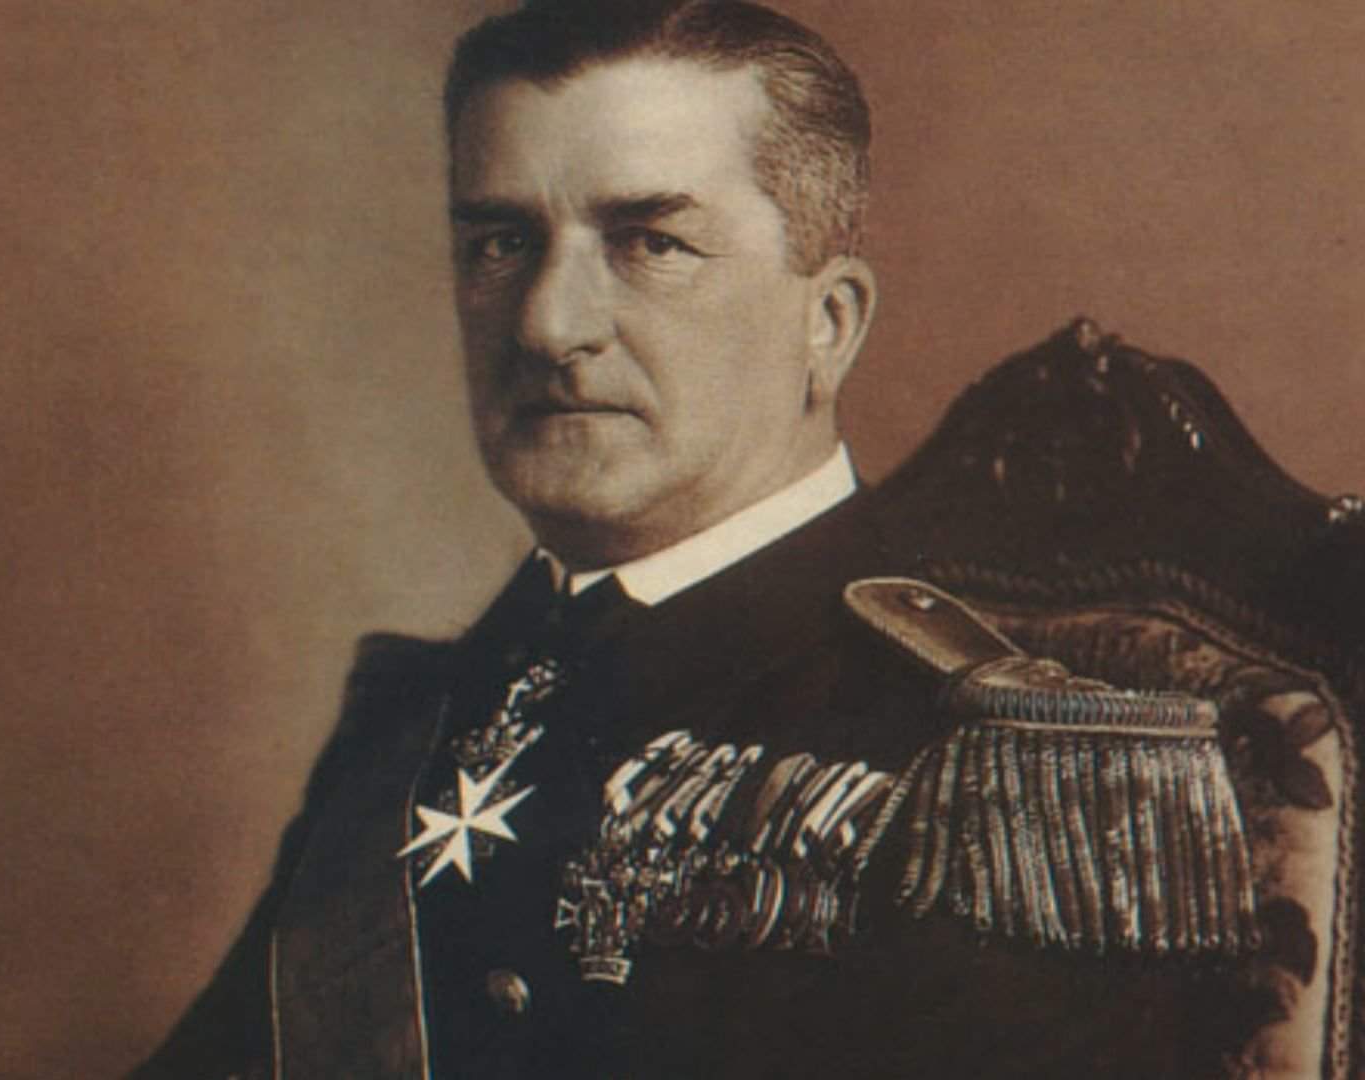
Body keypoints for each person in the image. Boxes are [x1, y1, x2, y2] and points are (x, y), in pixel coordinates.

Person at [135, 2, 1282, 1075]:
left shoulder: (999, 777)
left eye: (650, 243)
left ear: (828, 322)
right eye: (499, 244)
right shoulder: (413, 721)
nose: (547, 324)